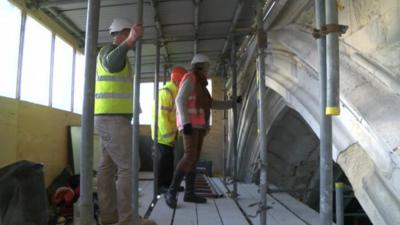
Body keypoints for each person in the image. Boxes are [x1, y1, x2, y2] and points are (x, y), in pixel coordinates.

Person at [94, 18, 155, 225]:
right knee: (129, 165)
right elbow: (112, 64)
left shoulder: (113, 54)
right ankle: (128, 220)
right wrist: (129, 42)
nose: (134, 40)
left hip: (108, 118)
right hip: (113, 119)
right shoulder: (109, 53)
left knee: (107, 168)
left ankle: (110, 217)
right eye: (129, 34)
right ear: (121, 33)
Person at [164, 53, 240, 208]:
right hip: (190, 124)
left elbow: (212, 103)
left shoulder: (201, 84)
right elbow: (180, 99)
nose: (208, 69)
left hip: (198, 126)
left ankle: (189, 193)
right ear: (202, 65)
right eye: (207, 66)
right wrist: (185, 122)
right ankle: (171, 192)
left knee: (193, 158)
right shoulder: (191, 77)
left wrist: (232, 103)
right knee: (189, 155)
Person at [151, 67, 188, 194]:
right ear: (178, 81)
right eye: (184, 82)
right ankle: (160, 187)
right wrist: (169, 137)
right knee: (163, 162)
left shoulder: (175, 92)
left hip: (169, 136)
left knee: (169, 162)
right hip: (163, 136)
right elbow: (161, 118)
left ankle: (169, 185)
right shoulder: (166, 93)